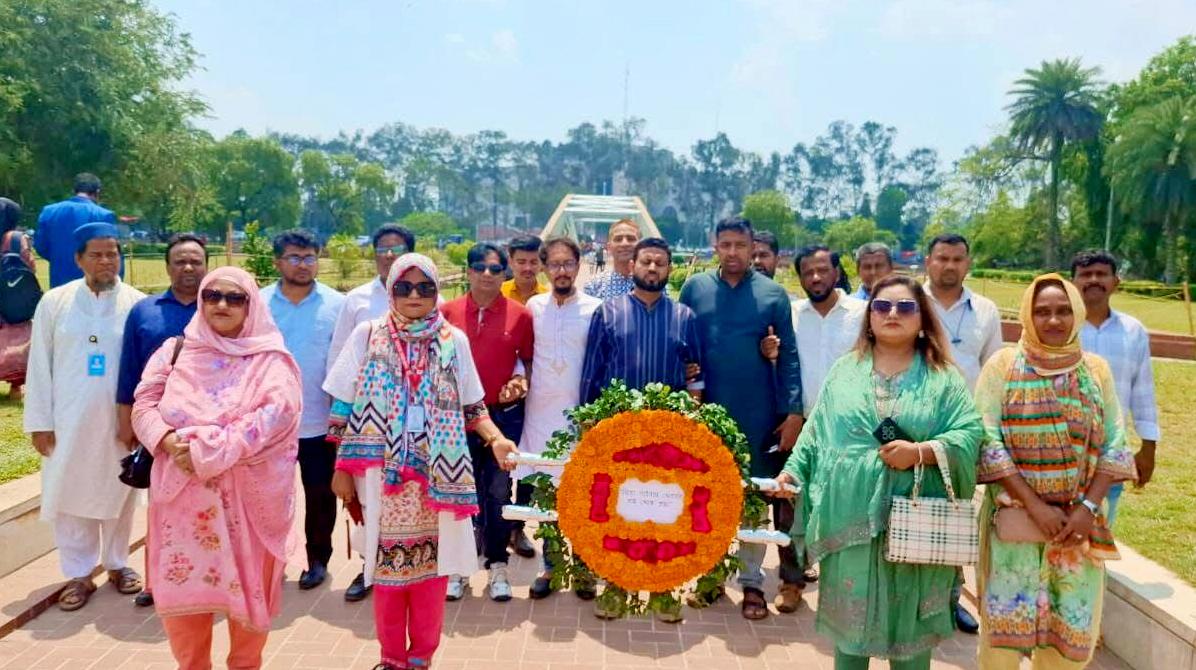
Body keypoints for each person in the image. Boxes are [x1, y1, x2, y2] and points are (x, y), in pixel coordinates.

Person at [773, 274, 984, 670]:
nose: (892, 314)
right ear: (869, 316)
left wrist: (919, 452)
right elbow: (817, 431)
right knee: (849, 640)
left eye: (905, 307)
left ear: (922, 318)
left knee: (911, 639)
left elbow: (971, 432)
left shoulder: (944, 378)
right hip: (848, 516)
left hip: (917, 523)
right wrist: (792, 473)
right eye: (882, 306)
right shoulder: (845, 371)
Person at [324, 253, 518, 670]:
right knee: (388, 574)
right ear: (390, 290)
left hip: (438, 476)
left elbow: (473, 407)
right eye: (404, 287)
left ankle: (421, 659)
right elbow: (342, 404)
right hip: (380, 473)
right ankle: (391, 659)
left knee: (433, 574)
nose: (415, 295)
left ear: (437, 291)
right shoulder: (367, 334)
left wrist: (497, 439)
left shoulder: (453, 340)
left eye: (425, 287)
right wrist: (341, 467)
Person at [131, 267, 302, 670]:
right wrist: (169, 441)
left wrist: (210, 449)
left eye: (234, 297)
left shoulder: (270, 360)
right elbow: (143, 404)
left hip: (247, 506)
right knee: (186, 615)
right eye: (212, 296)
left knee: (247, 615)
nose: (222, 305)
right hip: (184, 507)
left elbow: (279, 414)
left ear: (251, 305)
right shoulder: (176, 349)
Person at [973, 274, 1136, 670]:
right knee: (1001, 644)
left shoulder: (1095, 371)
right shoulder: (1004, 365)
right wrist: (1035, 506)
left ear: (1077, 314)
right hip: (1015, 525)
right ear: (1028, 315)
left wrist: (1086, 507)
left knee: (1068, 641)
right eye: (1042, 311)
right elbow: (987, 439)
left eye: (1063, 311)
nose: (1053, 320)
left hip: (1076, 530)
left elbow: (1115, 443)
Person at [679, 216, 802, 620]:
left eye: (740, 245)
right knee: (707, 498)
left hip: (758, 413)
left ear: (753, 249)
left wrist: (792, 413)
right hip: (707, 413)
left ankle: (751, 583)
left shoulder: (772, 295)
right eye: (725, 244)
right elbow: (681, 346)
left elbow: (789, 359)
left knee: (751, 498)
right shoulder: (695, 288)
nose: (733, 252)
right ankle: (711, 575)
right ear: (715, 246)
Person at [578, 236, 704, 622]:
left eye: (660, 263)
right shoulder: (608, 313)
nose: (652, 269)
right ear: (631, 265)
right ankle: (617, 584)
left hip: (668, 436)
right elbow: (592, 374)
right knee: (620, 510)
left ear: (669, 269)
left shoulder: (684, 317)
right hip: (618, 435)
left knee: (666, 511)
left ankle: (664, 588)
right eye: (646, 262)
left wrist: (692, 424)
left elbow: (696, 374)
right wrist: (589, 426)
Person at [23, 222, 146, 611]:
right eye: (97, 254)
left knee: (120, 492)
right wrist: (40, 421)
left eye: (113, 253)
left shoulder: (136, 304)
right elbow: (38, 365)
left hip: (118, 424)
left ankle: (117, 564)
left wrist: (140, 423)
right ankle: (77, 573)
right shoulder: (55, 303)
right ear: (79, 259)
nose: (107, 261)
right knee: (71, 493)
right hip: (67, 423)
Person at [759, 245, 866, 609]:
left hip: (850, 426)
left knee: (844, 505)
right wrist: (769, 351)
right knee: (790, 503)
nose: (816, 278)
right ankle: (791, 581)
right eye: (808, 272)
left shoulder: (861, 315)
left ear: (837, 272)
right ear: (800, 276)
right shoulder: (791, 314)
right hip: (800, 423)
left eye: (823, 270)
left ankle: (843, 583)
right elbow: (781, 366)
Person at [116, 232, 207, 608]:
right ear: (168, 266)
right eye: (180, 261)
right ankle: (156, 582)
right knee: (162, 507)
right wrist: (128, 424)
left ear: (207, 265)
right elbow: (129, 369)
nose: (188, 267)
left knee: (206, 509)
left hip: (208, 429)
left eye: (195, 261)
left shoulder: (220, 306)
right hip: (160, 427)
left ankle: (206, 578)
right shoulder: (144, 310)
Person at [326, 223, 416, 603]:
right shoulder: (358, 304)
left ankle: (408, 568)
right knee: (367, 500)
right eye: (383, 248)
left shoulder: (431, 304)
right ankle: (368, 568)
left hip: (416, 433)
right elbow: (340, 363)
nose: (390, 255)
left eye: (398, 249)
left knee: (409, 502)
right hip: (367, 431)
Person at [440, 243, 534, 602]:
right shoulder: (445, 313)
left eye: (496, 269)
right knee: (460, 494)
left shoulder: (520, 316)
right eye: (479, 267)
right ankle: (458, 569)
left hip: (502, 417)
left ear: (504, 273)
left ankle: (497, 564)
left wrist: (519, 381)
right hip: (455, 419)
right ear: (468, 271)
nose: (487, 274)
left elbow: (525, 361)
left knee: (497, 492)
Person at [922, 232, 1001, 633]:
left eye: (957, 259)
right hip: (913, 427)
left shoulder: (985, 310)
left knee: (956, 515)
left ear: (968, 264)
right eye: (941, 258)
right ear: (927, 262)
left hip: (963, 433)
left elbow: (993, 373)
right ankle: (909, 599)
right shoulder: (909, 303)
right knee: (907, 510)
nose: (949, 265)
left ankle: (950, 601)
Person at [516, 237, 602, 600]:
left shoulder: (597, 309)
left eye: (568, 263)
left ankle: (583, 568)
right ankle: (551, 567)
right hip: (539, 415)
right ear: (544, 267)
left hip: (580, 419)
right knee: (546, 497)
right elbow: (520, 354)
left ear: (579, 265)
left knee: (582, 496)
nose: (562, 270)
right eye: (555, 264)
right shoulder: (533, 307)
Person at [260, 230, 346, 591]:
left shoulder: (336, 304)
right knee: (269, 497)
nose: (303, 264)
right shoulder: (259, 303)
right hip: (268, 424)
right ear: (278, 262)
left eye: (309, 257)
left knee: (320, 495)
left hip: (318, 422)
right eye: (294, 258)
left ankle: (317, 560)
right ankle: (271, 559)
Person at [1072, 250, 1158, 525]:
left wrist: (1148, 447)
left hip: (1110, 447)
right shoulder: (1058, 326)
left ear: (1116, 282)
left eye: (1102, 274)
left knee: (1100, 528)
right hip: (1060, 445)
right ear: (1072, 282)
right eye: (1085, 274)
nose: (1094, 280)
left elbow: (1142, 390)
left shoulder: (1133, 331)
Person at [33, 173, 121, 288]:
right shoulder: (103, 215)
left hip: (59, 281)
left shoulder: (49, 211)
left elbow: (40, 246)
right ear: (97, 192)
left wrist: (59, 258)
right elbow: (111, 253)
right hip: (93, 284)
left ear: (74, 190)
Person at [0, 197, 36, 399]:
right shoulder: (15, 238)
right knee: (17, 337)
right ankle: (16, 386)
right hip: (12, 295)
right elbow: (28, 265)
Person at [584, 219, 642, 301]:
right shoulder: (594, 287)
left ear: (640, 245)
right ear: (609, 247)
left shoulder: (652, 285)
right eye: (618, 239)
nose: (624, 243)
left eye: (631, 239)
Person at [501, 234, 548, 305]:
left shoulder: (548, 298)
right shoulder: (498, 293)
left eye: (534, 262)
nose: (527, 268)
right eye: (521, 262)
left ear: (542, 263)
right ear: (510, 262)